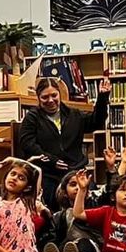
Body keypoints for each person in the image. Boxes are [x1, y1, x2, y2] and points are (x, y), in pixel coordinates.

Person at [15, 76, 111, 208]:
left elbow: (97, 121)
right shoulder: (32, 118)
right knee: (49, 207)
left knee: (90, 204)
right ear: (38, 98)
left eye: (54, 95)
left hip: (75, 171)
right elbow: (27, 144)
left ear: (59, 94)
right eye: (45, 97)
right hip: (48, 175)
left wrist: (102, 98)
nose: (50, 100)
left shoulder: (74, 114)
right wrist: (50, 160)